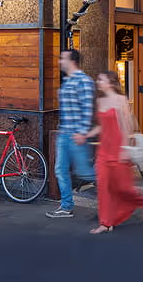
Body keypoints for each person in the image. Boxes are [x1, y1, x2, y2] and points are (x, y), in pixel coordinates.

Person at [83, 70, 143, 233]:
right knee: (103, 187)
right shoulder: (100, 101)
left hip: (118, 150)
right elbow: (101, 126)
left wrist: (123, 149)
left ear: (111, 82)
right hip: (103, 151)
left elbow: (125, 126)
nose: (98, 82)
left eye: (101, 79)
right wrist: (86, 135)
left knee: (123, 188)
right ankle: (105, 223)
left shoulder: (121, 100)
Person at [45, 49, 96, 219]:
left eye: (63, 59)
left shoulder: (84, 81)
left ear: (72, 61)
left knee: (87, 173)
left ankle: (118, 196)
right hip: (64, 134)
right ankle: (66, 206)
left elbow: (88, 108)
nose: (60, 61)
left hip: (76, 135)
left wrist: (82, 132)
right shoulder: (67, 81)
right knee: (60, 170)